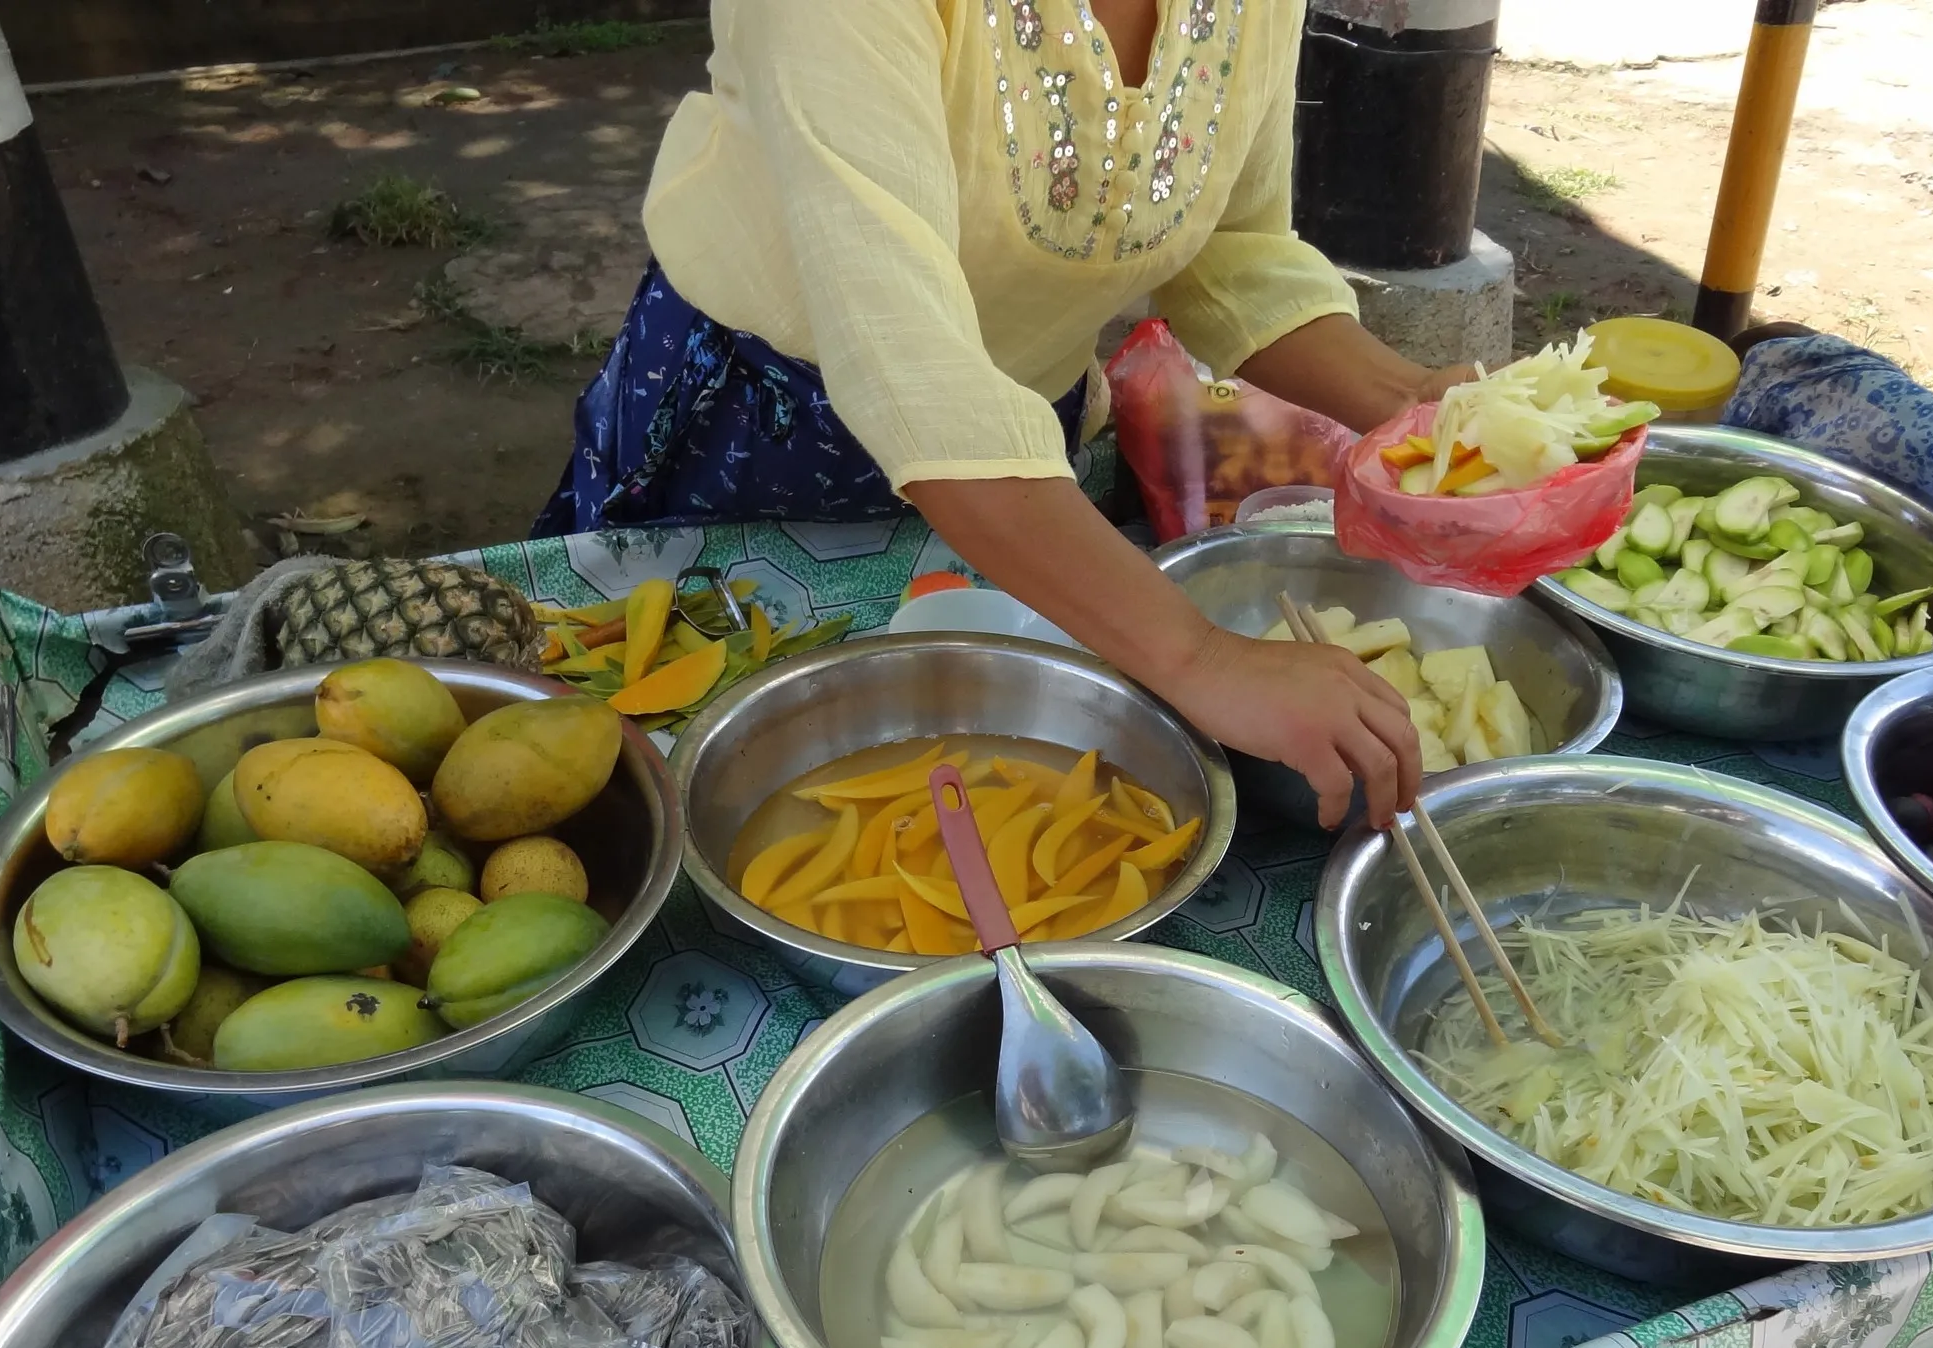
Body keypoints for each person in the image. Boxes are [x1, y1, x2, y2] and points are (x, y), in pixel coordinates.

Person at [535, 0, 1482, 826]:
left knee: (982, 786)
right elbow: (909, 358)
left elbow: (1229, 244)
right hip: (758, 434)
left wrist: (1407, 402)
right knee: (723, 787)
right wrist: (1199, 655)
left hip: (1025, 472)